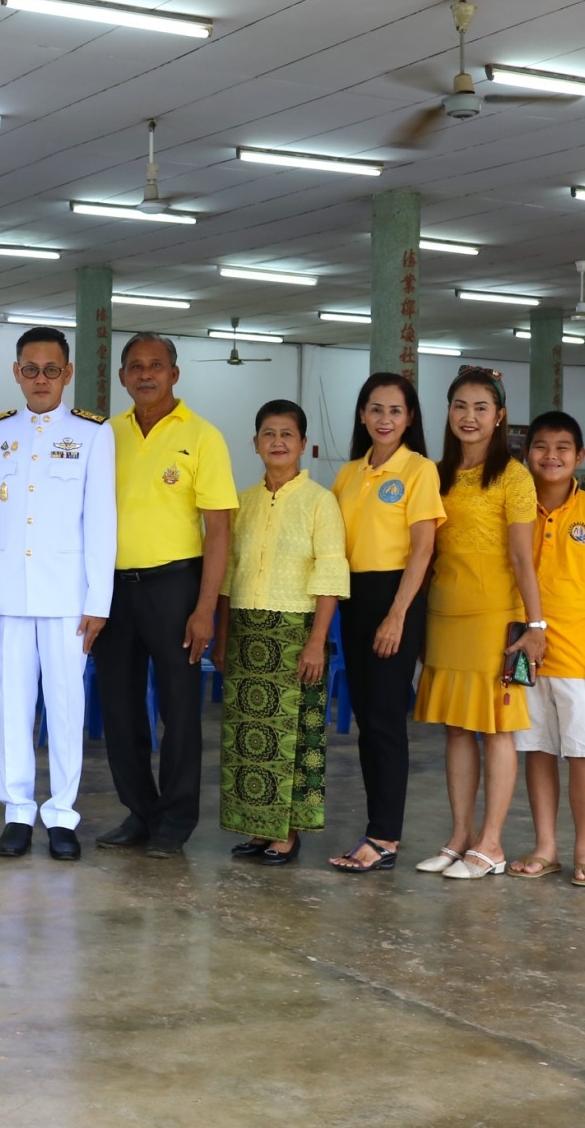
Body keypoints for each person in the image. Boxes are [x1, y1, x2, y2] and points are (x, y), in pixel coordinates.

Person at [92, 334, 237, 857]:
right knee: (121, 706)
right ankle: (139, 812)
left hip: (176, 586)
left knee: (178, 710)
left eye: (156, 365)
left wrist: (204, 610)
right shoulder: (106, 435)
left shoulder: (202, 437)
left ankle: (174, 822)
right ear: (123, 377)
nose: (145, 374)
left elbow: (218, 530)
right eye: (135, 367)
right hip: (113, 590)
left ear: (175, 374)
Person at [0, 327, 115, 861]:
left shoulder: (92, 434)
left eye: (51, 370)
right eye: (30, 370)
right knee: (13, 707)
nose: (40, 380)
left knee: (64, 706)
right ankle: (17, 811)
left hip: (66, 601)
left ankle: (61, 814)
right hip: (9, 597)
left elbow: (102, 521)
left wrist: (97, 602)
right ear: (16, 373)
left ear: (68, 373)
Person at [412, 367, 546, 881]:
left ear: (500, 417)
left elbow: (521, 555)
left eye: (481, 408)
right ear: (448, 413)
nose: (469, 417)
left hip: (495, 617)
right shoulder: (436, 472)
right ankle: (459, 836)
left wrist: (535, 625)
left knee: (496, 728)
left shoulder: (513, 476)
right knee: (456, 729)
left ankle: (491, 844)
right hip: (446, 614)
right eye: (460, 407)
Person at [215, 401, 348, 865]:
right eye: (268, 434)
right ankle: (258, 829)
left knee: (292, 737)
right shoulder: (243, 501)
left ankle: (287, 835)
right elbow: (229, 576)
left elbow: (330, 574)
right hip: (248, 632)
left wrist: (317, 642)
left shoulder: (320, 502)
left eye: (287, 434)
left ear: (303, 444)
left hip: (296, 632)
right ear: (254, 444)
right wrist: (223, 634)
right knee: (250, 739)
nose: (277, 442)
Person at [327, 373, 445, 874]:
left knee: (385, 723)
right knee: (366, 723)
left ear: (411, 418)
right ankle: (378, 829)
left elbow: (423, 550)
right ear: (361, 415)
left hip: (395, 598)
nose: (384, 419)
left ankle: (385, 838)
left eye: (395, 411)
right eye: (375, 409)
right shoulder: (348, 474)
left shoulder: (419, 470)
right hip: (354, 599)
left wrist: (397, 615)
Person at [507, 411, 585, 887]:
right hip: (523, 654)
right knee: (535, 749)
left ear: (580, 456)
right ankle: (546, 846)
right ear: (526, 453)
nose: (550, 456)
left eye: (562, 448)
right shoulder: (513, 506)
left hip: (582, 655)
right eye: (540, 446)